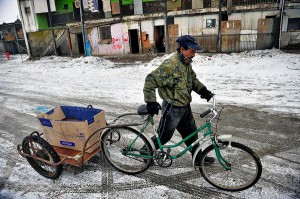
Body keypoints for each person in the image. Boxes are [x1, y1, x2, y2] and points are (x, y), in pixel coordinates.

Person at [143, 35, 215, 165]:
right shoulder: (170, 64)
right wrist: (151, 102)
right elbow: (150, 80)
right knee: (164, 135)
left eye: (195, 51)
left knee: (192, 134)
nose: (194, 54)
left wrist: (203, 91)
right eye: (192, 51)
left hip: (185, 106)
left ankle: (198, 157)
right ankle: (145, 151)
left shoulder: (186, 63)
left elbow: (192, 80)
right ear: (182, 49)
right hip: (172, 107)